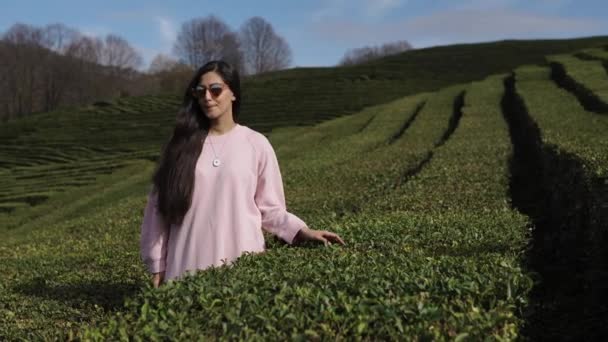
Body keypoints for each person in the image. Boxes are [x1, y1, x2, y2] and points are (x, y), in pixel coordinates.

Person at [140, 60, 345, 288]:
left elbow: (271, 208)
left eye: (215, 90)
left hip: (243, 269)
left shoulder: (256, 144)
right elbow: (158, 210)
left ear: (233, 93)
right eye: (200, 91)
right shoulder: (179, 147)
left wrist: (301, 230)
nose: (208, 97)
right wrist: (156, 265)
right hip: (185, 266)